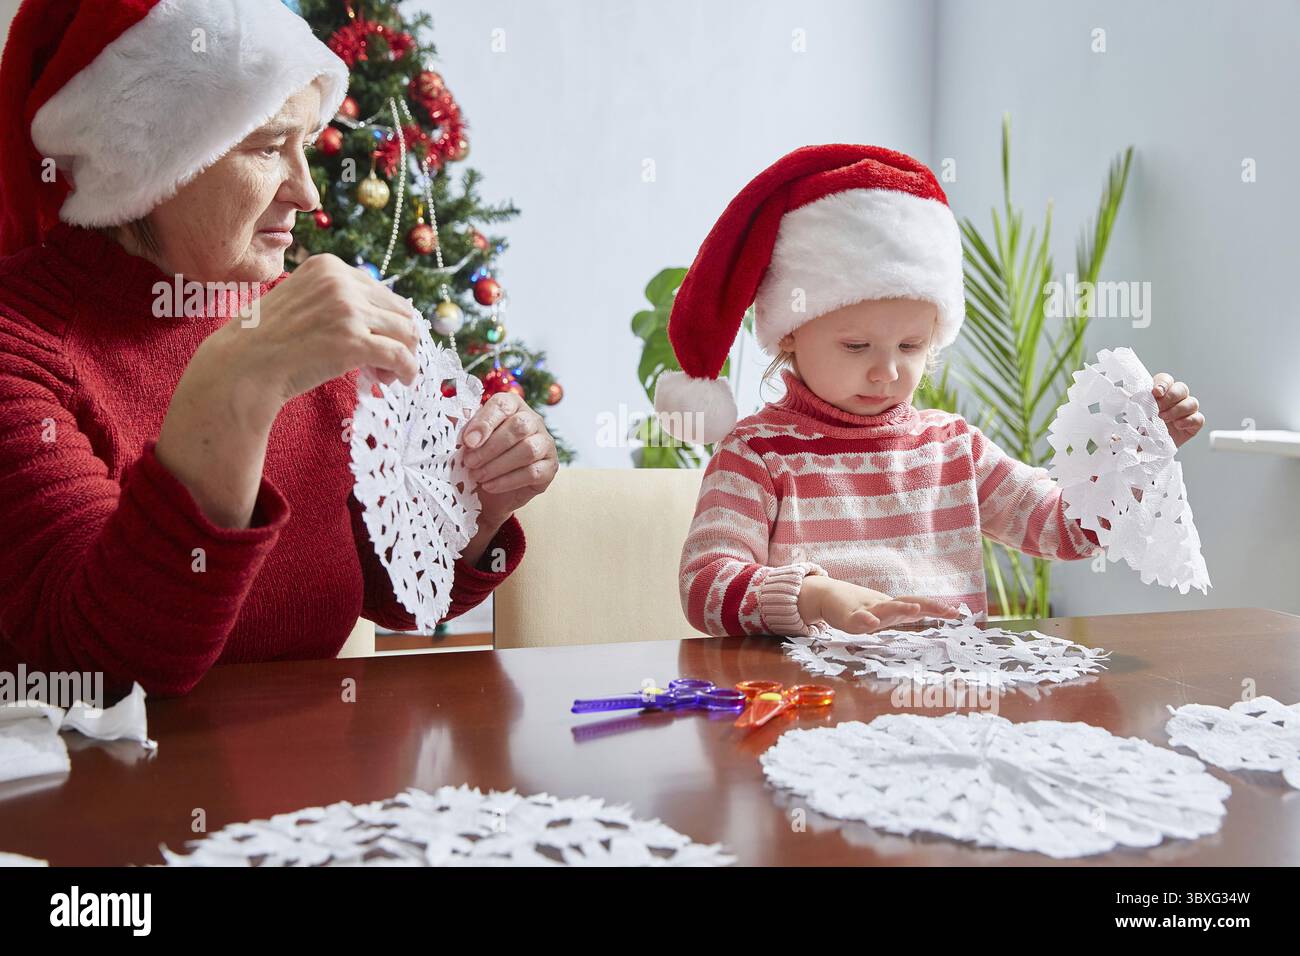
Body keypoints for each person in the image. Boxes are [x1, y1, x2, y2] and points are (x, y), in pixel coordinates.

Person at [0, 0, 558, 696]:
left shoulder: (297, 317)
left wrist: (483, 501)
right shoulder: (21, 343)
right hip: (112, 796)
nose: (308, 190)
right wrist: (236, 387)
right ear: (143, 160)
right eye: (267, 147)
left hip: (313, 781)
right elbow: (98, 669)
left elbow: (387, 584)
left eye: (307, 142)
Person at [656, 145, 1203, 637]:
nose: (887, 372)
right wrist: (812, 596)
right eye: (856, 346)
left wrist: (1137, 450)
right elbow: (704, 585)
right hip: (812, 711)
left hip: (945, 710)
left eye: (911, 346)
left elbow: (1062, 530)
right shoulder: (758, 454)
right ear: (791, 332)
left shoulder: (951, 448)